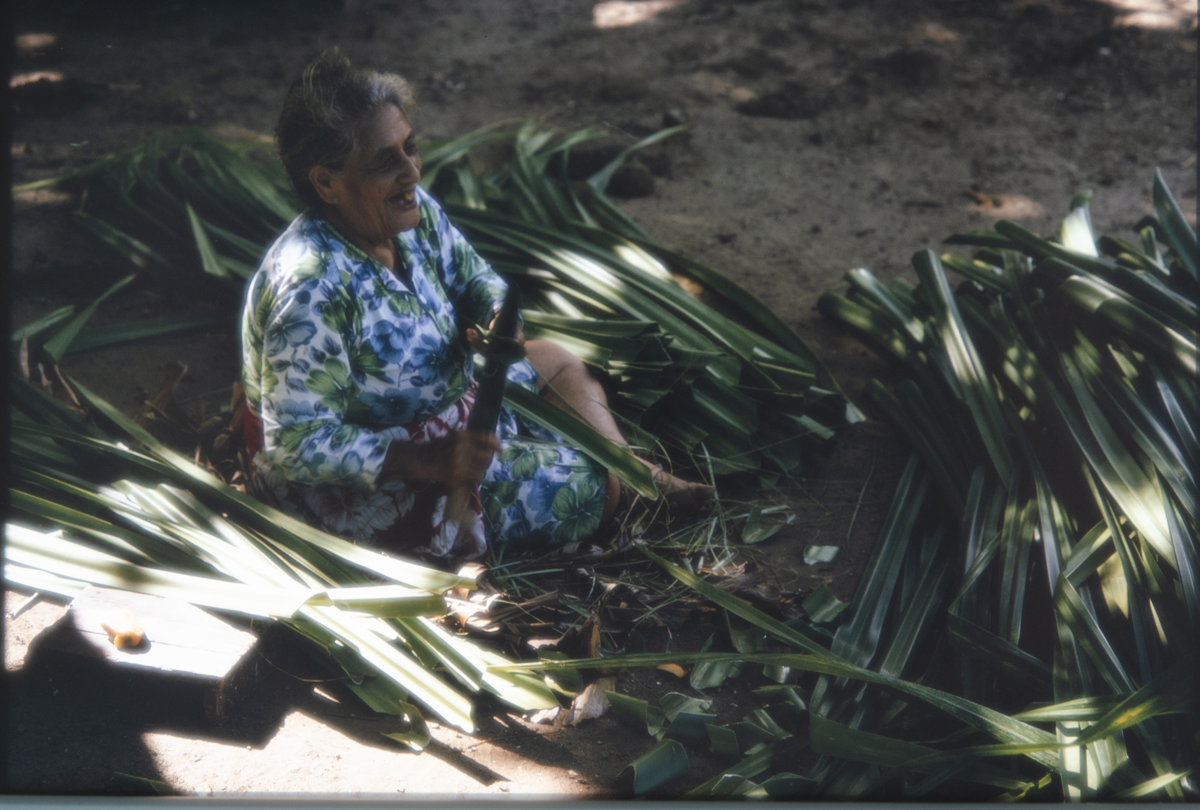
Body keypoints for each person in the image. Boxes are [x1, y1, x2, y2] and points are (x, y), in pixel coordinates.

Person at [241, 49, 712, 560]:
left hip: (451, 416)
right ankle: (624, 488)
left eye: (410, 148)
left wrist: (494, 318)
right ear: (326, 183)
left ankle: (640, 475)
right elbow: (298, 445)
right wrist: (427, 460)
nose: (411, 172)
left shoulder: (409, 214)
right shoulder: (311, 288)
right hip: (373, 486)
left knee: (556, 362)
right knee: (594, 488)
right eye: (385, 162)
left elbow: (476, 277)